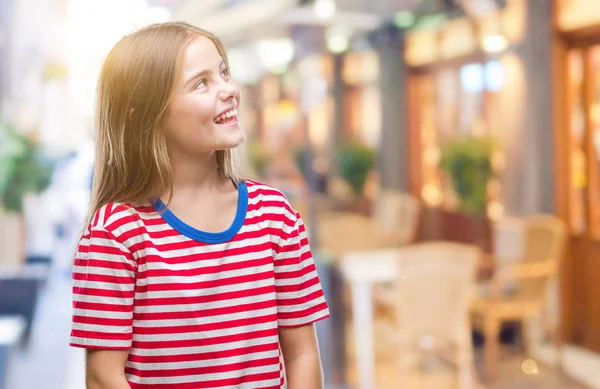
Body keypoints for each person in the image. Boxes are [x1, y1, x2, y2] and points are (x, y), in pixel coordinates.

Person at [70, 22, 330, 389]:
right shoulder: (116, 233)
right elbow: (102, 376)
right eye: (201, 82)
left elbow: (302, 353)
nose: (229, 90)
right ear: (147, 114)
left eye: (224, 72)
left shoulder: (274, 214)